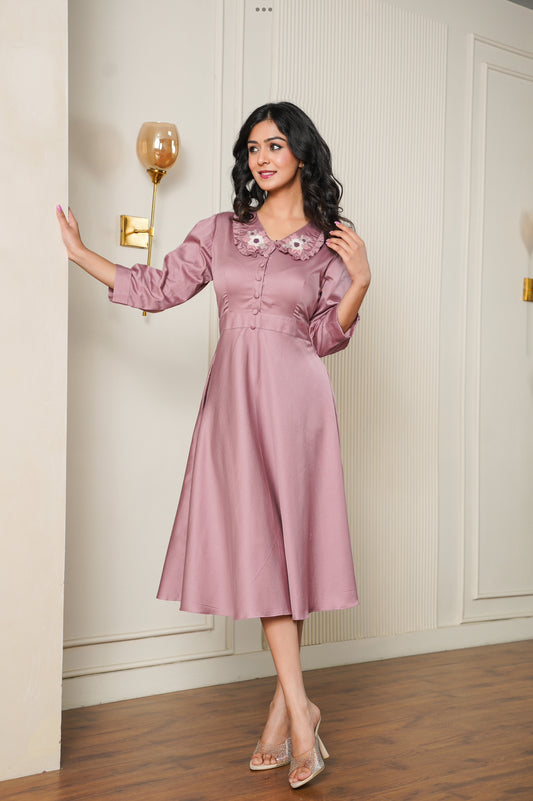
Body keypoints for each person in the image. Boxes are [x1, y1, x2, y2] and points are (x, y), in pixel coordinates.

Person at [57, 101, 371, 789]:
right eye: (252, 147)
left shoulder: (330, 244)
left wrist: (361, 283)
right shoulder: (220, 232)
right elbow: (158, 288)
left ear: (301, 153)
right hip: (232, 407)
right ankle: (298, 708)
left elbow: (326, 337)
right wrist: (82, 255)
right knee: (262, 551)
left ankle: (292, 716)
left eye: (275, 144)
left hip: (298, 405)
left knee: (287, 554)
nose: (262, 157)